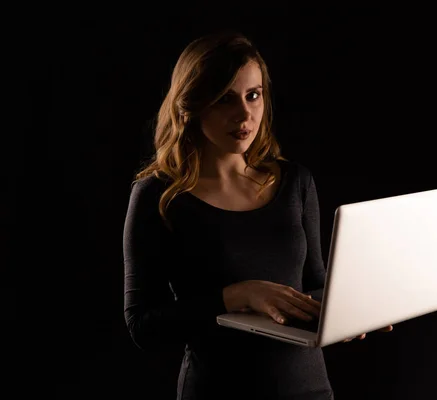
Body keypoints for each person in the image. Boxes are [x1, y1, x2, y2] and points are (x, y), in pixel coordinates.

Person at [123, 30, 393, 400]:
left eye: (254, 95)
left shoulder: (295, 182)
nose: (245, 115)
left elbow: (314, 282)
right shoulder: (159, 195)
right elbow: (143, 326)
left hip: (309, 390)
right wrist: (237, 295)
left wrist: (346, 310)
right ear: (192, 105)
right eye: (225, 100)